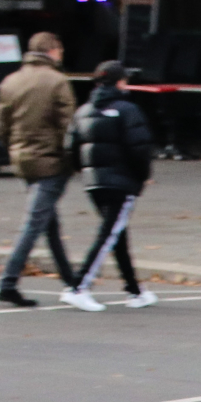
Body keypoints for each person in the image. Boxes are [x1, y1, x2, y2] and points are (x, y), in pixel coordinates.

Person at [0, 31, 78, 307]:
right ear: (53, 50)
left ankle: (71, 279)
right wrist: (73, 157)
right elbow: (68, 125)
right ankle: (8, 282)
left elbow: (0, 125)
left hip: (22, 158)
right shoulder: (57, 81)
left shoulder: (10, 81)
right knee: (35, 223)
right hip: (51, 160)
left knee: (48, 221)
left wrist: (14, 147)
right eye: (60, 50)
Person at [63, 61, 157, 312]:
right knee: (110, 235)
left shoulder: (83, 111)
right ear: (121, 82)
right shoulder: (128, 110)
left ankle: (134, 290)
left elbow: (71, 146)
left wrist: (83, 170)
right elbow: (140, 148)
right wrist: (141, 177)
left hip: (94, 181)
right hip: (121, 181)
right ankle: (78, 286)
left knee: (116, 234)